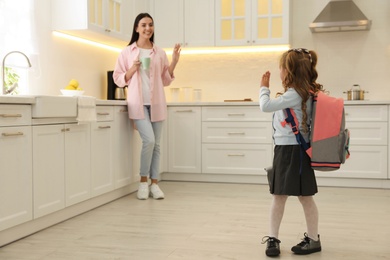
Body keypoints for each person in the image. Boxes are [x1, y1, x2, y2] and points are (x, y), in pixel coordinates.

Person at [259, 48, 324, 256]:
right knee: (304, 197)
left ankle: (274, 239)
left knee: (280, 196)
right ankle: (311, 238)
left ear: (290, 71)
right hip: (297, 150)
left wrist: (263, 88)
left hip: (289, 151)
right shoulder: (306, 92)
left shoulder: (294, 94)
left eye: (282, 67)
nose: (280, 70)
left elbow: (265, 106)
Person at [113, 13, 181, 200]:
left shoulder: (159, 52)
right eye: (143, 25)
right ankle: (143, 182)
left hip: (157, 103)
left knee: (157, 145)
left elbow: (165, 80)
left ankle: (155, 184)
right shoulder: (127, 52)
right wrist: (132, 69)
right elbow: (118, 79)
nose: (147, 28)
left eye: (150, 25)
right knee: (149, 141)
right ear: (136, 28)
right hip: (138, 104)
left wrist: (174, 61)